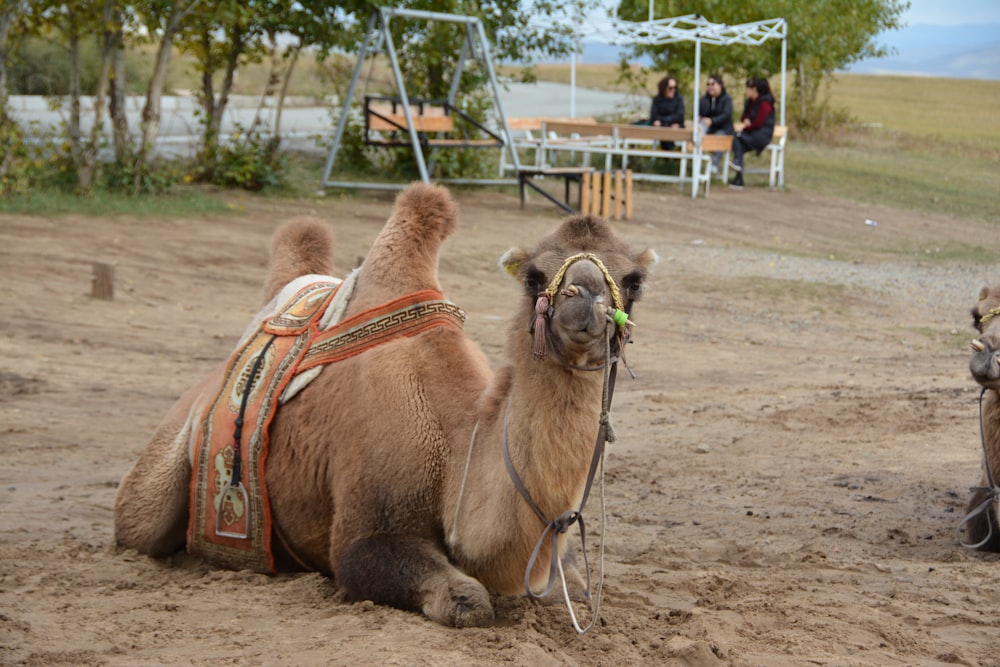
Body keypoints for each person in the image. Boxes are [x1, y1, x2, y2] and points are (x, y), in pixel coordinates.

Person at [729, 77, 776, 189]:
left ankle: (738, 168)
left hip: (761, 136)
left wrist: (744, 128)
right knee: (738, 144)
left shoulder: (765, 104)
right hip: (752, 133)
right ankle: (738, 178)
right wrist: (745, 120)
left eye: (748, 88)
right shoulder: (750, 102)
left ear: (754, 89)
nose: (746, 90)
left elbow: (759, 123)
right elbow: (744, 116)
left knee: (737, 138)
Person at [697, 74, 734, 172]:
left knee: (718, 137)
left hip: (724, 130)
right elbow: (701, 113)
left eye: (713, 84)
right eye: (708, 84)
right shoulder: (705, 100)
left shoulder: (726, 99)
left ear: (720, 85)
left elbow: (726, 115)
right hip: (708, 129)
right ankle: (696, 163)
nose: (710, 86)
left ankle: (714, 165)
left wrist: (712, 121)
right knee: (697, 135)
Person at [649, 75, 685, 149]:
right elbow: (654, 115)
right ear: (664, 88)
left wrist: (662, 120)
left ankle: (671, 154)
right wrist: (659, 121)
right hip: (660, 128)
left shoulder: (679, 99)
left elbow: (679, 116)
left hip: (675, 127)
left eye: (675, 88)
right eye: (670, 88)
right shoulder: (657, 99)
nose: (673, 90)